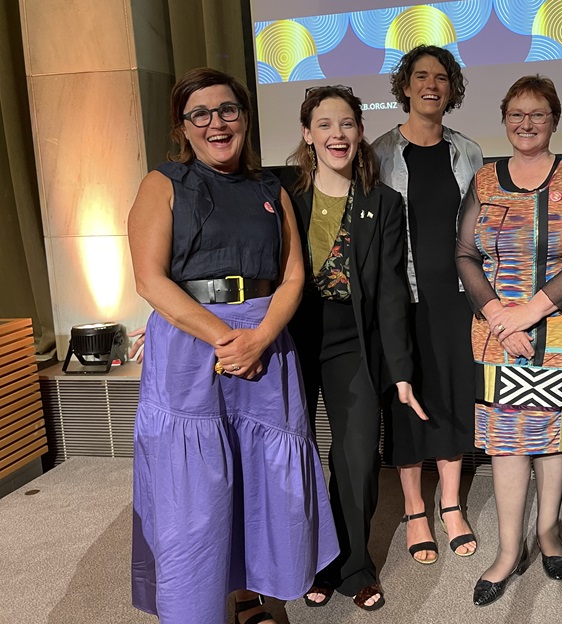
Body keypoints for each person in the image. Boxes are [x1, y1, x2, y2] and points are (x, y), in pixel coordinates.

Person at [128, 68, 338, 624]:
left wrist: (261, 337)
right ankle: (201, 606)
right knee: (195, 493)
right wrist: (226, 339)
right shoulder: (162, 183)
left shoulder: (272, 189)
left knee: (264, 478)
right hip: (194, 345)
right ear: (183, 126)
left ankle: (259, 596)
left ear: (245, 118)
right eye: (202, 113)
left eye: (228, 110)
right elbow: (150, 280)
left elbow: (294, 276)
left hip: (266, 344)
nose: (217, 123)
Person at [456, 75, 562, 606]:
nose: (526, 123)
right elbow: (465, 256)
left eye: (537, 114)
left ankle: (548, 532)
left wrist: (531, 313)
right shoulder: (485, 179)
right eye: (516, 114)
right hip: (499, 334)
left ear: (554, 120)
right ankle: (507, 548)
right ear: (504, 119)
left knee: (552, 435)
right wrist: (501, 316)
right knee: (508, 440)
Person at [280, 85, 426, 611]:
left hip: (354, 343)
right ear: (307, 134)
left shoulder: (383, 203)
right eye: (325, 125)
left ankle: (353, 565)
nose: (337, 134)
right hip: (290, 339)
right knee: (290, 459)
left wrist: (402, 369)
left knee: (358, 457)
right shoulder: (283, 197)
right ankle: (312, 562)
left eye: (347, 124)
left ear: (360, 132)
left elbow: (390, 289)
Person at [373, 45, 484, 564]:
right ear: (405, 86)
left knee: (451, 397)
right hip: (403, 298)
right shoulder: (378, 155)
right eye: (421, 76)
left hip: (457, 296)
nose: (431, 85)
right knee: (407, 399)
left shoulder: (469, 152)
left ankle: (451, 504)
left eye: (441, 78)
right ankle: (415, 509)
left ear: (452, 89)